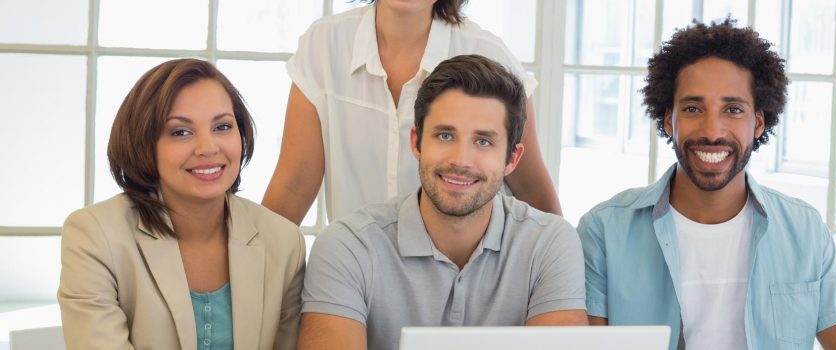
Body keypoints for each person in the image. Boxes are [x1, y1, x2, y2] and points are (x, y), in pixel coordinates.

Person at [578, 20, 836, 350]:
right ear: (669, 119)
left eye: (733, 109)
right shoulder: (603, 231)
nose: (713, 130)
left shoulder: (804, 230)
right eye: (693, 108)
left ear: (758, 122)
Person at [297, 55, 587, 350]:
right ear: (416, 142)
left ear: (512, 158)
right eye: (445, 135)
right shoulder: (347, 246)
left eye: (483, 141)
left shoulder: (550, 243)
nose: (460, 160)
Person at [58, 59, 305, 349]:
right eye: (181, 132)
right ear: (144, 144)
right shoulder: (95, 235)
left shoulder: (285, 242)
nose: (208, 148)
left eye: (223, 126)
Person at [262, 0, 561, 226]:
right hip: (353, 277)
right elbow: (293, 187)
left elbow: (535, 193)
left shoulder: (491, 57)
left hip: (468, 277)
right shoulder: (323, 46)